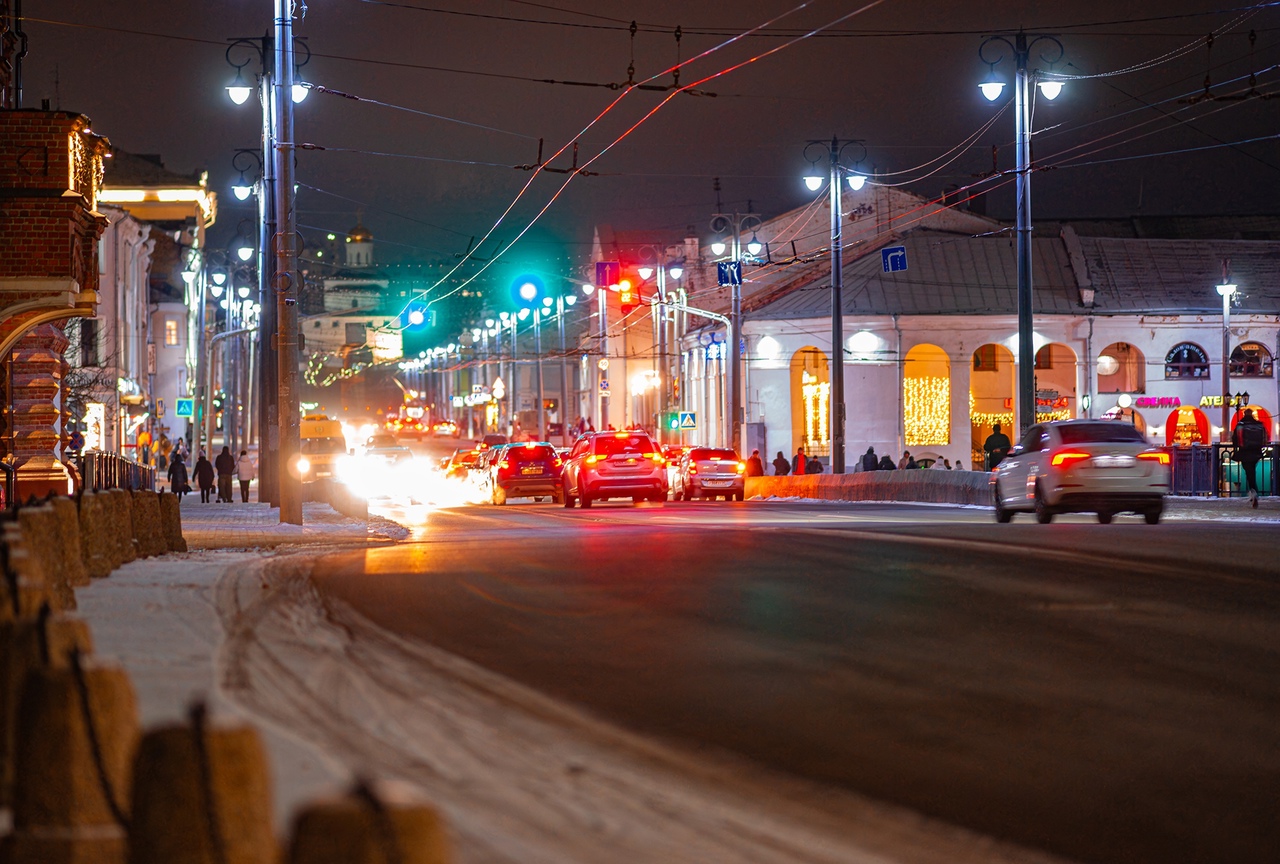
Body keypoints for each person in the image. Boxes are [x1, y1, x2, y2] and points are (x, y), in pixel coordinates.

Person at [1232, 408, 1269, 507]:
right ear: (1252, 414)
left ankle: (1253, 492)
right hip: (1256, 452)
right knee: (1251, 471)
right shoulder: (1259, 425)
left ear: (1244, 414)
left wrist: (1236, 448)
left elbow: (1235, 438)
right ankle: (1253, 492)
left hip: (1244, 452)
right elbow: (1265, 437)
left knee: (1249, 472)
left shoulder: (1241, 424)